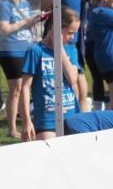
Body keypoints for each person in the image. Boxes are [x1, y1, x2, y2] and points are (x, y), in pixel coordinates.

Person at [19, 8, 81, 141]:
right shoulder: (35, 51)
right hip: (47, 120)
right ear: (55, 28)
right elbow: (25, 87)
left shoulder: (71, 49)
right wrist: (27, 121)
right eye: (70, 33)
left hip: (71, 116)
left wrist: (59, 47)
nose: (73, 37)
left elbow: (72, 78)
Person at [0, 0, 45, 138]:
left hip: (27, 48)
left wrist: (34, 21)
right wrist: (24, 22)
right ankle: (13, 128)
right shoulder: (5, 5)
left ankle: (26, 123)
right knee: (16, 89)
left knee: (25, 87)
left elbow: (27, 24)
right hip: (11, 50)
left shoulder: (26, 4)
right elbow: (3, 29)